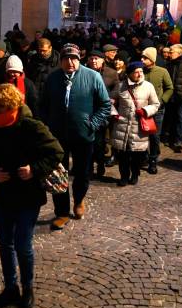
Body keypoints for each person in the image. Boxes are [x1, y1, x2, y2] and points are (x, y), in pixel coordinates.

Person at [0, 83, 64, 308]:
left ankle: (27, 288)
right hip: (2, 194)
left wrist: (34, 169)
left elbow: (56, 152)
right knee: (5, 243)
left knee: (22, 244)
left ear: (12, 106)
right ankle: (10, 288)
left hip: (28, 196)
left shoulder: (30, 126)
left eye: (0, 107)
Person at [41, 43, 110, 230]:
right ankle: (61, 212)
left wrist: (92, 124)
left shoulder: (93, 76)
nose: (70, 62)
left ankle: (79, 200)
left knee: (82, 173)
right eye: (66, 58)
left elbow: (105, 105)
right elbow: (43, 105)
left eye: (74, 58)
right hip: (57, 137)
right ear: (61, 60)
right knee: (57, 174)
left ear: (79, 60)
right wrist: (47, 127)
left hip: (83, 135)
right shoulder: (53, 79)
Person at [110, 61, 160, 186]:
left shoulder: (148, 86)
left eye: (141, 72)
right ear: (130, 74)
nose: (139, 74)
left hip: (139, 127)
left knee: (137, 155)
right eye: (136, 72)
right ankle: (124, 177)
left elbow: (155, 104)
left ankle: (135, 174)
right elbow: (108, 102)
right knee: (123, 155)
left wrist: (145, 110)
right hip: (122, 126)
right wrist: (114, 113)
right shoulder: (120, 86)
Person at [141, 47, 173, 174]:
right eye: (142, 58)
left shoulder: (162, 71)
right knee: (142, 134)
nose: (142, 60)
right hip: (142, 109)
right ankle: (144, 156)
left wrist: (162, 101)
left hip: (157, 109)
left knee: (154, 136)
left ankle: (153, 159)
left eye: (145, 58)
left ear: (152, 59)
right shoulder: (140, 71)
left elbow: (170, 88)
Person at [25, 38, 59, 107]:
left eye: (44, 51)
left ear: (50, 48)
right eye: (40, 50)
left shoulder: (59, 61)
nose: (42, 53)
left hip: (51, 98)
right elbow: (29, 77)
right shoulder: (33, 59)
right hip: (36, 97)